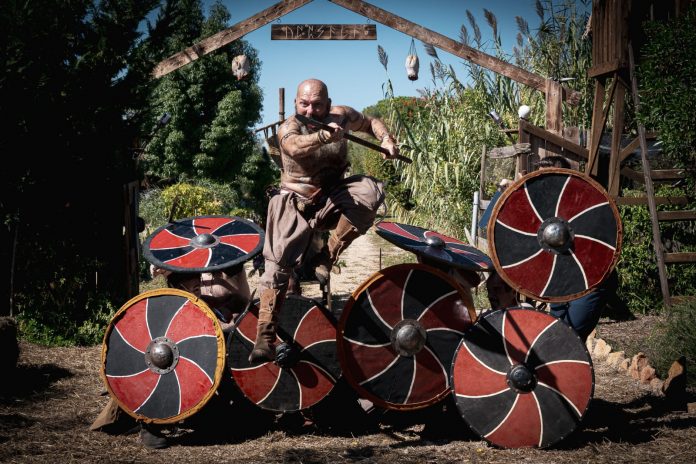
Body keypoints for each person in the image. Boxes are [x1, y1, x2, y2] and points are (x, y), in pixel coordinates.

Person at [249, 78, 400, 363]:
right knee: (277, 265)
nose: (309, 110)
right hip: (293, 201)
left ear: (328, 104)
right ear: (296, 103)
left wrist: (386, 139)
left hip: (331, 198)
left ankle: (327, 255)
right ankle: (265, 335)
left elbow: (370, 122)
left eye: (316, 105)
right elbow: (294, 147)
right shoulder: (289, 128)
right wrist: (323, 137)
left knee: (370, 190)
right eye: (304, 104)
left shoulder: (340, 115)